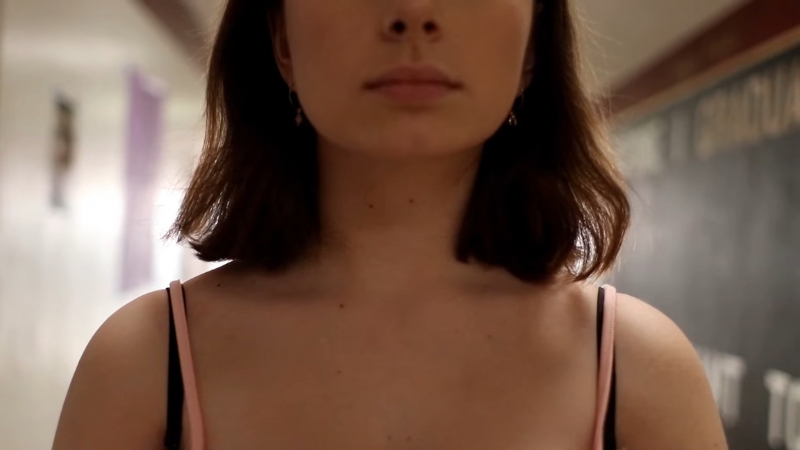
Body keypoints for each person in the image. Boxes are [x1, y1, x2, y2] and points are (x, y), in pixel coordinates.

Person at [53, 0, 728, 449]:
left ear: (532, 52)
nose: (413, 14)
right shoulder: (143, 365)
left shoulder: (639, 371)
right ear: (282, 41)